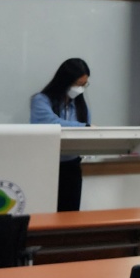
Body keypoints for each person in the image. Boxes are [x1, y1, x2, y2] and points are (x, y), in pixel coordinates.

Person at [30, 58, 90, 212]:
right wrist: (84, 127)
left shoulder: (80, 105)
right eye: (78, 84)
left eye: (84, 85)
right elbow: (50, 123)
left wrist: (87, 129)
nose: (80, 89)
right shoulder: (41, 100)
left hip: (72, 167)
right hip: (46, 167)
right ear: (65, 81)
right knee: (45, 214)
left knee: (70, 215)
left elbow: (86, 131)